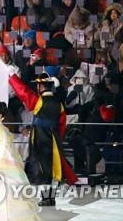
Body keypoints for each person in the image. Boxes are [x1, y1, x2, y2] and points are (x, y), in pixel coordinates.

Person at [9, 70, 78, 206]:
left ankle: (45, 198)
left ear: (41, 87)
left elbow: (23, 92)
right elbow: (62, 124)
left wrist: (12, 77)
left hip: (40, 138)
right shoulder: (59, 103)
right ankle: (51, 197)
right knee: (54, 167)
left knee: (41, 168)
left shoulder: (38, 100)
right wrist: (59, 138)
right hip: (54, 137)